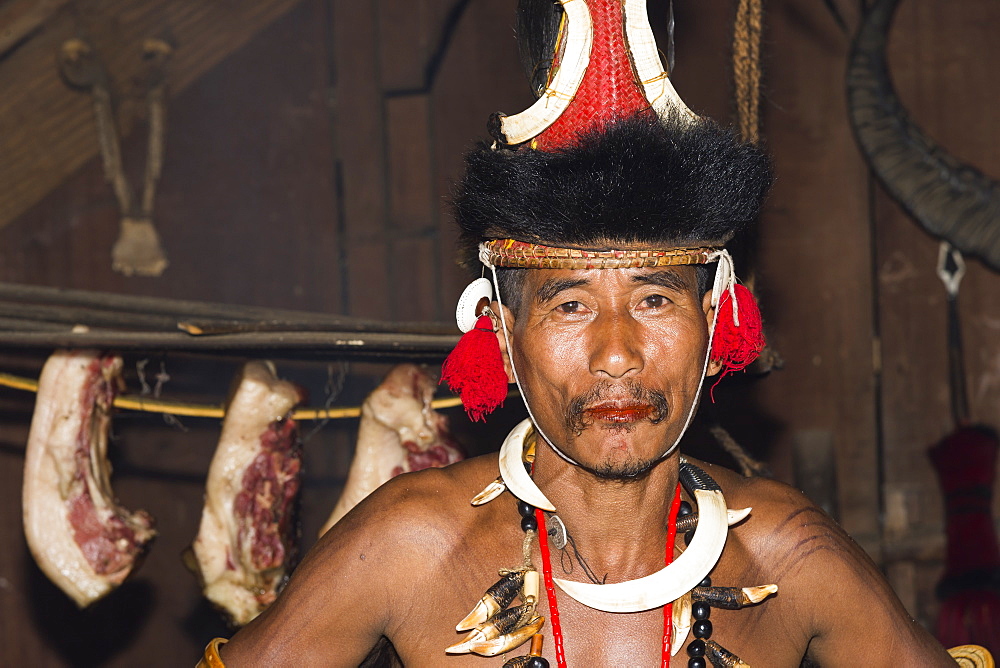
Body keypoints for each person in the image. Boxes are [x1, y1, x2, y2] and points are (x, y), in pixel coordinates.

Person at [203, 1, 968, 665]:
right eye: (569, 305)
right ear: (500, 331)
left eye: (655, 301)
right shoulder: (408, 549)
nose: (616, 354)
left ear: (714, 319)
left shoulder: (791, 556)